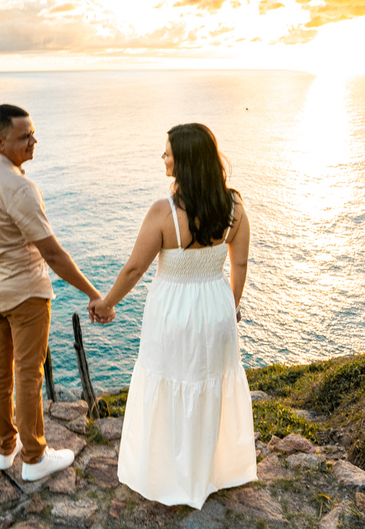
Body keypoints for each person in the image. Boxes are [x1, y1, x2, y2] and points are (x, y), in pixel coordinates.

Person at [89, 123, 256, 508]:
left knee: (168, 383)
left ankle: (169, 474)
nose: (163, 158)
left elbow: (134, 269)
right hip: (215, 306)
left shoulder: (164, 212)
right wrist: (229, 307)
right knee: (208, 384)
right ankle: (209, 471)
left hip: (173, 309)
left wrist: (107, 302)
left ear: (184, 161)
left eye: (167, 152)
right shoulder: (235, 208)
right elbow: (240, 264)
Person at [0, 104, 108, 482]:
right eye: (25, 136)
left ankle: (6, 449)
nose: (34, 141)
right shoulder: (20, 187)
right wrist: (93, 293)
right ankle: (36, 457)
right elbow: (52, 253)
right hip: (26, 294)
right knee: (28, 373)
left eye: (33, 133)